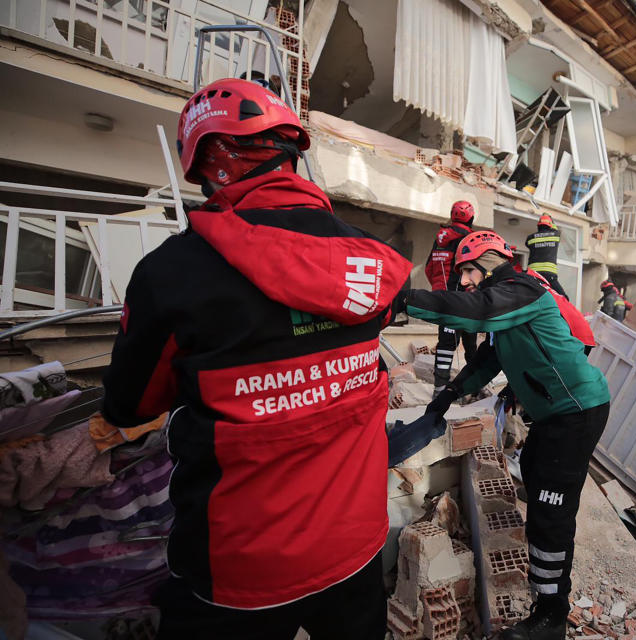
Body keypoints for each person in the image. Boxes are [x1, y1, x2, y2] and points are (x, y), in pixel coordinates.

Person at [100, 79, 412, 639]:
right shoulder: (372, 262)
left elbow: (128, 406)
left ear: (210, 163)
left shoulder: (173, 274)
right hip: (356, 545)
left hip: (239, 567)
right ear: (291, 151)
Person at [400, 231, 610, 640]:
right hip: (556, 412)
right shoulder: (509, 301)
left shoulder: (519, 290)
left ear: (493, 260)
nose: (463, 282)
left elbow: (476, 313)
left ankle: (551, 615)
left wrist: (405, 300)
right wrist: (450, 394)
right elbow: (489, 356)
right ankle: (550, 546)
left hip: (576, 412)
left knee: (550, 512)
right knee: (533, 472)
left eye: (468, 271)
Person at [425, 201, 478, 395]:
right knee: (468, 343)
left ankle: (442, 388)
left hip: (441, 297)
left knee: (450, 341)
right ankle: (469, 388)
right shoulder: (468, 239)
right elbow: (469, 269)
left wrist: (439, 289)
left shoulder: (439, 237)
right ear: (471, 218)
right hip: (461, 298)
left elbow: (429, 268)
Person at [525, 214, 568, 299]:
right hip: (549, 274)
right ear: (550, 224)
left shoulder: (530, 237)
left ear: (539, 225)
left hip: (533, 274)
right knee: (563, 297)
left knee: (532, 297)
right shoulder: (556, 234)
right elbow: (555, 229)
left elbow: (527, 244)